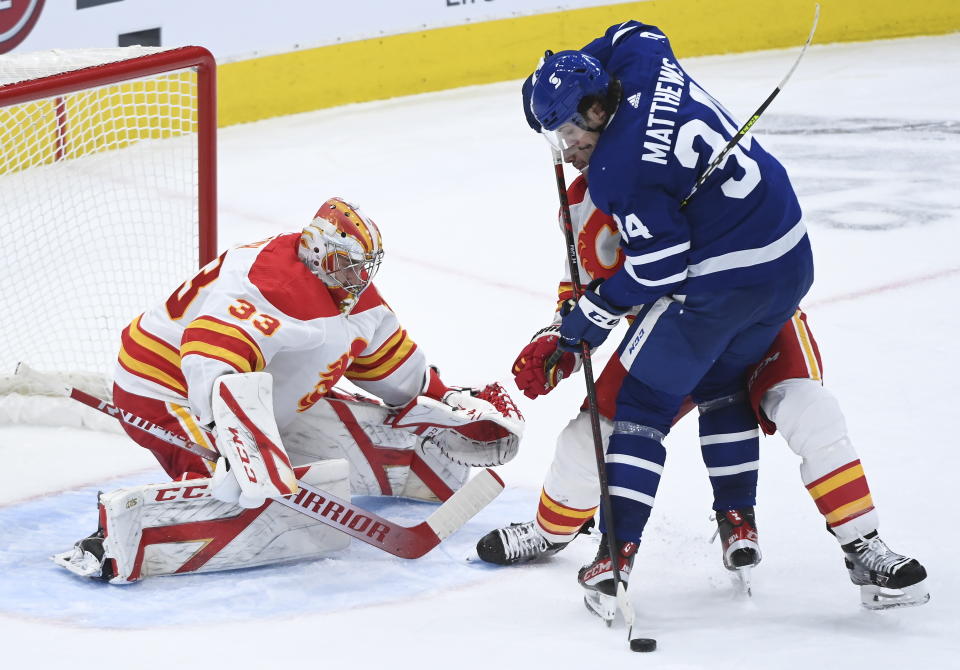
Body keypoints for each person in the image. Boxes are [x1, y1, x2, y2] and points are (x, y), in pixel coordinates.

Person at [476, 171, 929, 610]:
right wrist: (561, 339)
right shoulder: (583, 200)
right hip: (668, 335)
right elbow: (582, 287)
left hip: (753, 317)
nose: (574, 145)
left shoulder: (675, 158)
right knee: (587, 435)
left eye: (581, 127)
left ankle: (863, 543)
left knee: (810, 410)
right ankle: (551, 530)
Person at [506, 19, 823, 620]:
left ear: (598, 110)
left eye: (572, 129)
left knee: (647, 408)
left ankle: (616, 555)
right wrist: (567, 73)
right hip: (783, 257)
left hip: (714, 287)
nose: (567, 147)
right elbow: (635, 29)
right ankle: (736, 522)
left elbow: (655, 271)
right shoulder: (642, 63)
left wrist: (583, 325)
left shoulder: (616, 172)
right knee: (711, 388)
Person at [53, 197, 524, 583]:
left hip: (256, 391)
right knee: (224, 488)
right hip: (167, 387)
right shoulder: (269, 285)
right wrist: (236, 439)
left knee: (324, 428)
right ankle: (111, 540)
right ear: (317, 254)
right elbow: (210, 358)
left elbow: (387, 360)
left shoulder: (349, 293)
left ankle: (413, 459)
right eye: (345, 267)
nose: (357, 281)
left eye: (364, 268)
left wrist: (447, 399)